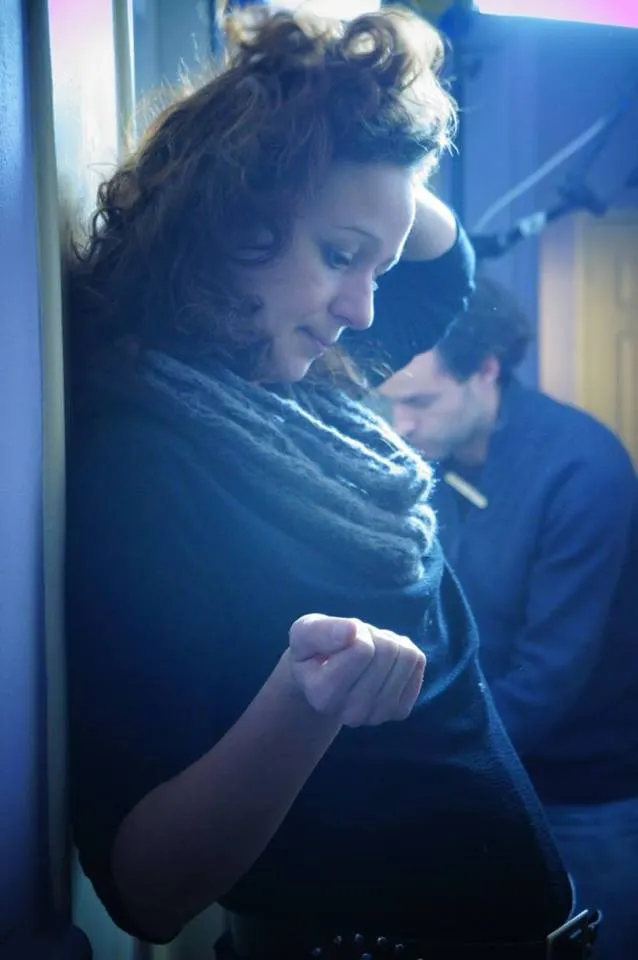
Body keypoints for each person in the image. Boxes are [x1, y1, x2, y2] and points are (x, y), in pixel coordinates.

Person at [64, 9, 590, 959]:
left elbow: (447, 259)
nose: (364, 309)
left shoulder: (300, 378)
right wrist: (305, 705)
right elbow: (144, 888)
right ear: (226, 215)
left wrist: (359, 128)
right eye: (342, 256)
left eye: (376, 266)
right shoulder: (144, 467)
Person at [379, 274, 638, 960]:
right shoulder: (433, 460)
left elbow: (550, 673)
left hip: (588, 794)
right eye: (391, 402)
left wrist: (430, 766)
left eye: (420, 401)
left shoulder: (583, 468)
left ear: (486, 370)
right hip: (491, 769)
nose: (401, 424)